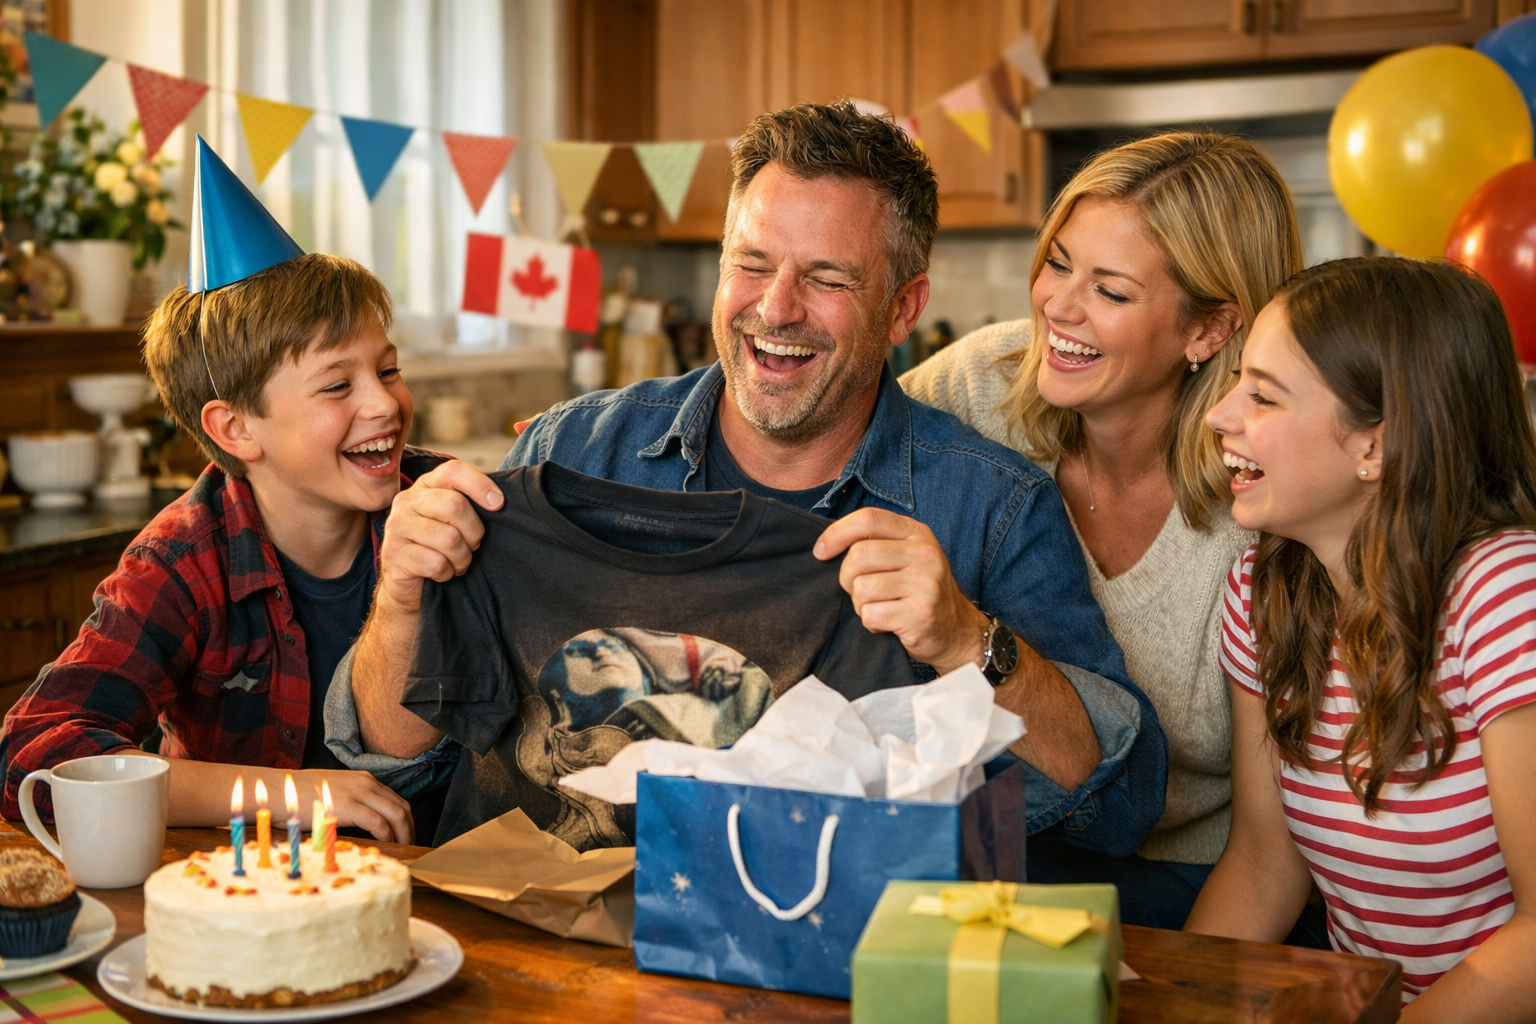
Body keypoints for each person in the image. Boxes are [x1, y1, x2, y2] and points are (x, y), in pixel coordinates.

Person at [328, 100, 1169, 852]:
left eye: (828, 278)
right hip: (534, 955)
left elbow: (1114, 806)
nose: (775, 309)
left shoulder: (990, 508)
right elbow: (397, 758)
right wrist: (403, 597)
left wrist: (965, 640)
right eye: (752, 264)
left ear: (904, 308)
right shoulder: (572, 451)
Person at [900, 131, 1303, 927]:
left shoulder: (1265, 501)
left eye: (1111, 292)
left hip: (1194, 882)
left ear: (1210, 331)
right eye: (1058, 261)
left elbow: (1273, 845)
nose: (1059, 306)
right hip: (994, 850)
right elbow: (831, 445)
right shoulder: (980, 384)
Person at [0, 139, 450, 842]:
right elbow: (30, 760)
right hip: (251, 898)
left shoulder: (441, 506)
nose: (385, 404)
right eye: (339, 385)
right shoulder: (181, 562)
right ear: (236, 429)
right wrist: (288, 795)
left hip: (451, 885)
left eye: (387, 371)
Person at [1185, 257, 1536, 1019]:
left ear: (1377, 445)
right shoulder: (1264, 588)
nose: (1220, 415)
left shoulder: (1507, 592)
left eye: (1265, 396)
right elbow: (1264, 864)